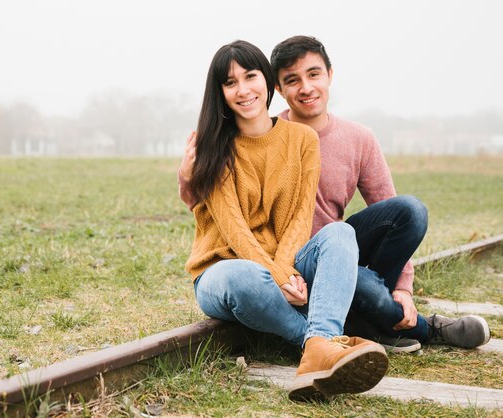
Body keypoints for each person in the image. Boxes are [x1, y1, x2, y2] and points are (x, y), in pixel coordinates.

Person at [179, 35, 491, 352]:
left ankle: (358, 317)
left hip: (320, 256)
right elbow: (219, 216)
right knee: (355, 285)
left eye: (313, 74)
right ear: (279, 88)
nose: (305, 87)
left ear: (330, 74)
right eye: (292, 80)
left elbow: (344, 214)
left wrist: (403, 288)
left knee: (400, 217)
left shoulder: (316, 139)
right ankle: (350, 338)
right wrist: (186, 178)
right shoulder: (219, 144)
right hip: (271, 265)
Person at [186, 39, 388, 400]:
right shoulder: (212, 146)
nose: (243, 90)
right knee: (243, 276)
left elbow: (298, 219)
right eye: (230, 82)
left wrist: (286, 271)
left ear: (267, 81)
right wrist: (281, 279)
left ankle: (318, 345)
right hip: (224, 270)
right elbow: (235, 233)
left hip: (284, 264)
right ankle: (318, 345)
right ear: (220, 92)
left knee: (339, 233)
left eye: (250, 76)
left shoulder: (302, 139)